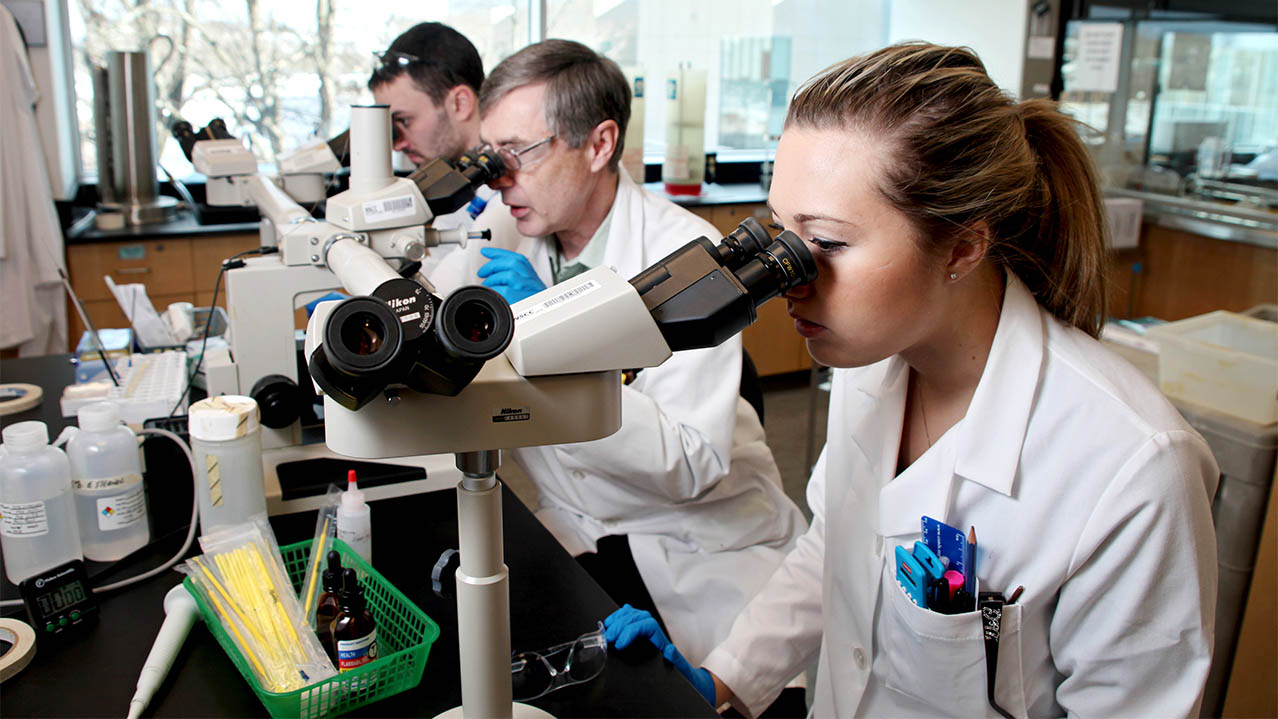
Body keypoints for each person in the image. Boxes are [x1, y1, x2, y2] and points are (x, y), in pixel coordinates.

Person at [605, 42, 1219, 717]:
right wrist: (723, 677)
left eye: (827, 243)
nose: (788, 279)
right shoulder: (872, 364)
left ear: (962, 246)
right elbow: (836, 546)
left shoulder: (1133, 470)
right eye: (781, 231)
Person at [428, 38, 809, 696]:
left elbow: (689, 463)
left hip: (694, 545)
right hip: (578, 530)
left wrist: (558, 335)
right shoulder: (506, 231)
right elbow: (429, 305)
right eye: (490, 155)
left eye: (517, 153)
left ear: (599, 144)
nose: (498, 178)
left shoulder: (686, 255)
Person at [368, 22, 492, 272]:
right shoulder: (455, 186)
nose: (397, 144)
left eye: (404, 121)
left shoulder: (510, 195)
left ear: (460, 103)